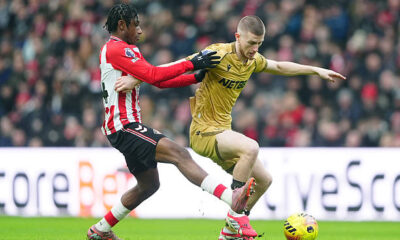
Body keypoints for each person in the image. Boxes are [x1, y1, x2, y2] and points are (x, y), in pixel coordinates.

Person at [116, 15, 346, 240]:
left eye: (259, 44)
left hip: (222, 132)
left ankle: (229, 231)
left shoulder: (253, 60)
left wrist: (315, 70)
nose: (255, 48)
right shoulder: (217, 53)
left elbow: (279, 66)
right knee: (251, 147)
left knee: (264, 179)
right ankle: (236, 217)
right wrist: (136, 79)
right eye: (251, 43)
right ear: (238, 37)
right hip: (203, 131)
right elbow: (177, 66)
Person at [87, 4, 256, 240]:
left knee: (149, 185)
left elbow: (159, 82)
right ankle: (232, 199)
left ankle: (100, 230)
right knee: (179, 154)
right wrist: (194, 62)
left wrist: (194, 77)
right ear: (122, 25)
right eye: (137, 25)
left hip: (124, 126)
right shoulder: (117, 49)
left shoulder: (123, 50)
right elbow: (155, 75)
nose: (141, 31)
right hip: (124, 126)